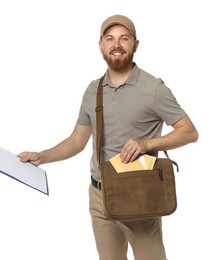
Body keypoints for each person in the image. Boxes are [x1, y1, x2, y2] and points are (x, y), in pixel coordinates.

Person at [19, 14, 198, 260]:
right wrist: (42, 156)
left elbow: (189, 131)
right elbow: (77, 140)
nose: (116, 45)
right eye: (110, 39)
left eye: (124, 39)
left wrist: (147, 144)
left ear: (135, 45)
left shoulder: (154, 89)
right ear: (101, 45)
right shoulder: (93, 90)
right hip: (99, 196)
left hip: (139, 195)